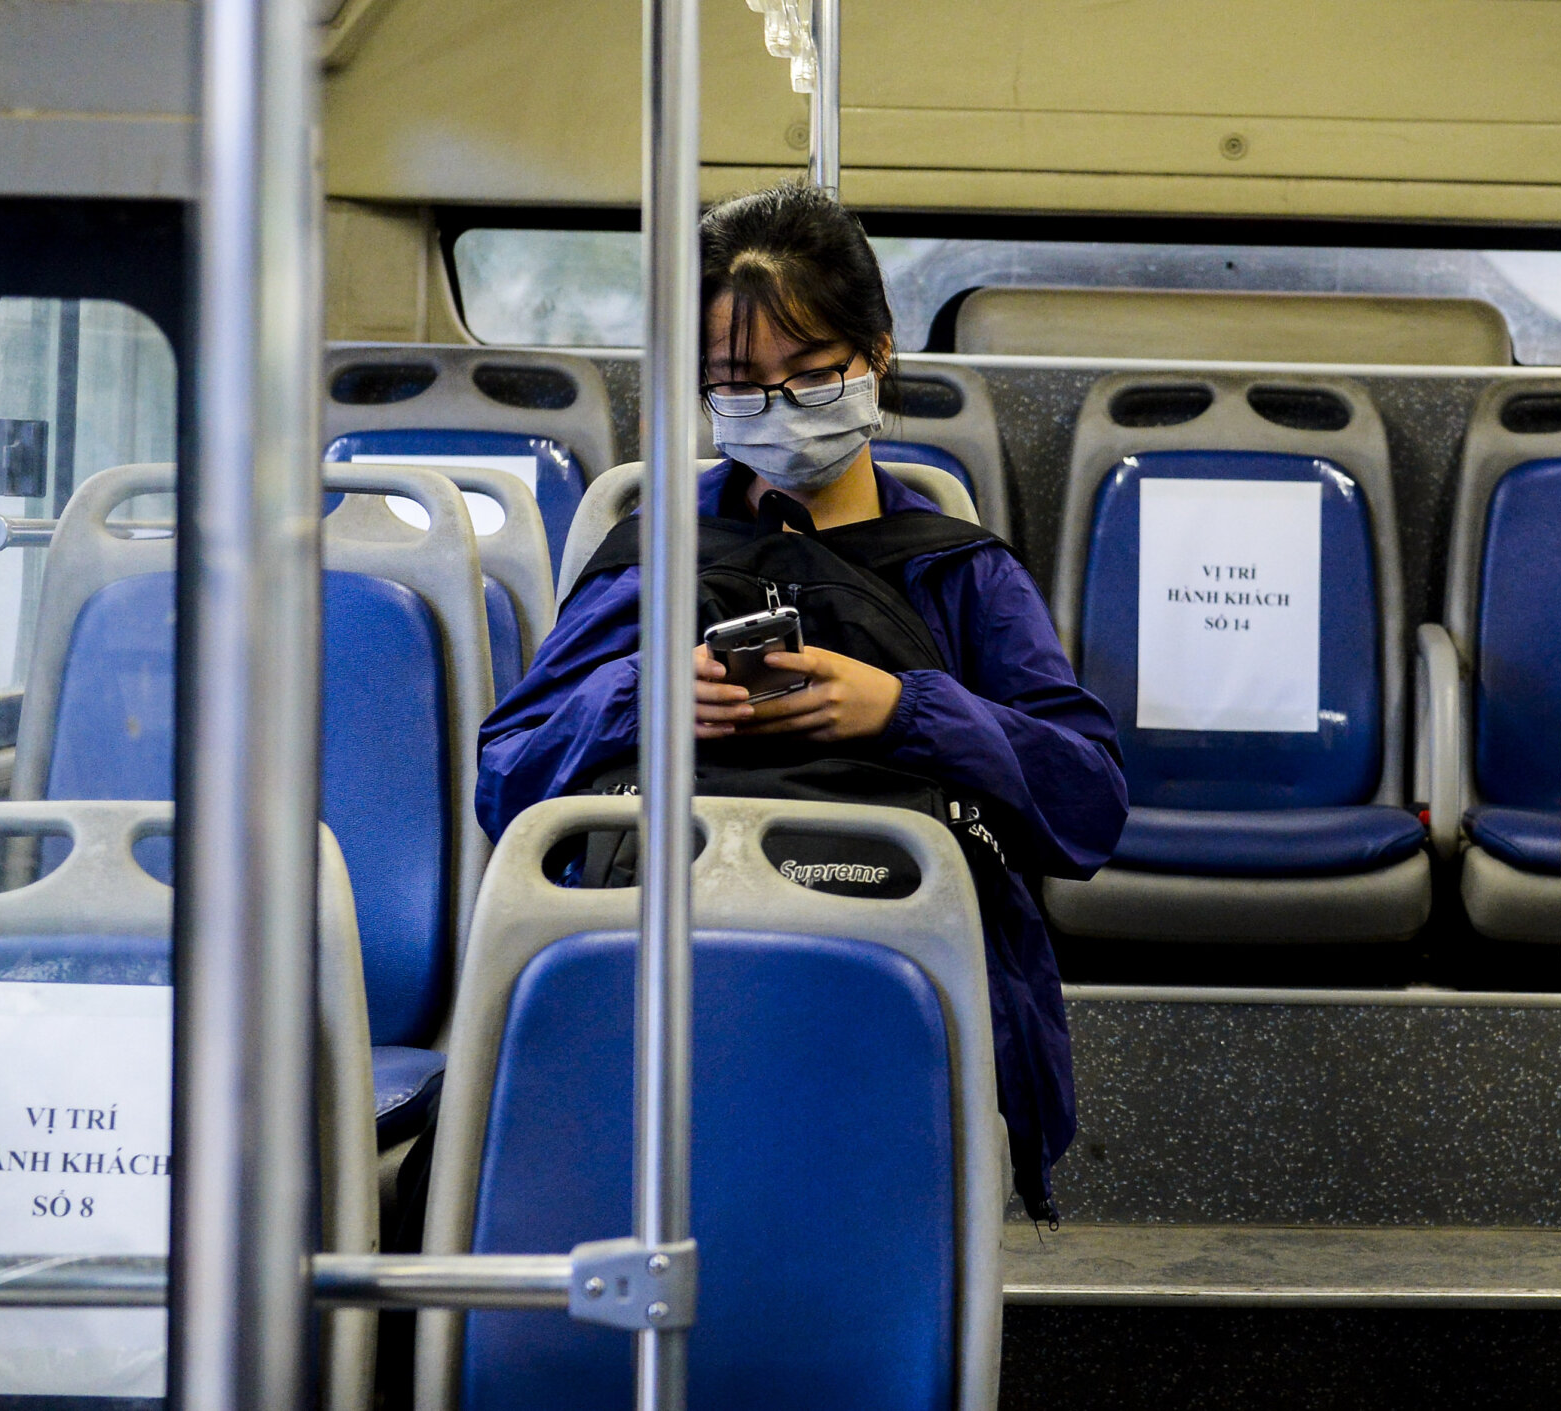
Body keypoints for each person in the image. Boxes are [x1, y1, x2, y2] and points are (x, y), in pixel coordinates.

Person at [477, 184, 1128, 1219]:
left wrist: (903, 712)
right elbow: (504, 779)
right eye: (738, 384)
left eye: (811, 374)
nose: (776, 409)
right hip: (655, 973)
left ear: (874, 356)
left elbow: (1087, 805)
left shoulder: (957, 574)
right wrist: (643, 698)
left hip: (888, 975)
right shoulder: (653, 560)